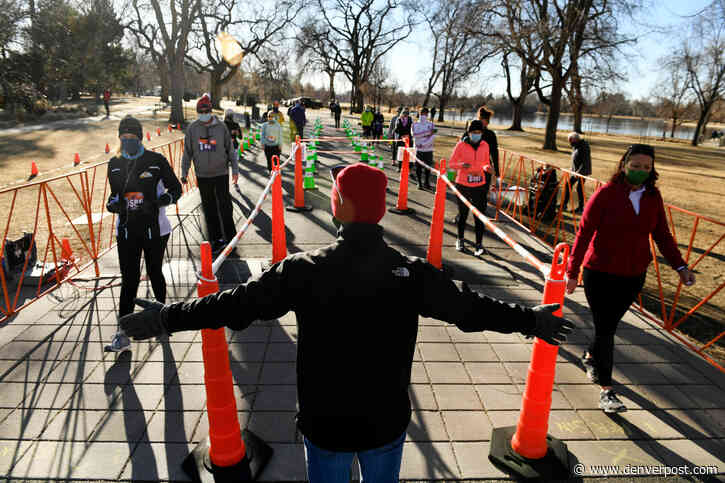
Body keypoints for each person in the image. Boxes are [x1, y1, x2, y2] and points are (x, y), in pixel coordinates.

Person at [120, 162, 574, 483]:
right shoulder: (410, 273)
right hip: (386, 422)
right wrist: (529, 320)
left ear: (339, 208)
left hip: (327, 425)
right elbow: (469, 309)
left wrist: (166, 318)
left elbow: (235, 306)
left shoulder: (305, 270)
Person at [565, 144, 696, 414]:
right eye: (635, 166)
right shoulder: (605, 194)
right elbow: (583, 234)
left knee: (608, 326)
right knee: (605, 330)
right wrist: (572, 273)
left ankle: (590, 356)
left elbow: (662, 236)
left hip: (633, 275)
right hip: (599, 273)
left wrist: (681, 267)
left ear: (652, 170)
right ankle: (607, 391)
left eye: (646, 168)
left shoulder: (653, 197)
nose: (640, 172)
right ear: (623, 165)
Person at [104, 115, 182, 352]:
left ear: (139, 137)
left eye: (132, 137)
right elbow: (115, 195)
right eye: (124, 137)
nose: (128, 141)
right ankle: (122, 334)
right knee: (128, 281)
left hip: (155, 229)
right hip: (127, 230)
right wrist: (112, 204)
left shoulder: (156, 160)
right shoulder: (114, 164)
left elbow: (176, 188)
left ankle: (163, 320)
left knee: (154, 272)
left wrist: (161, 201)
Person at [180, 94, 239, 254]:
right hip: (203, 175)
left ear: (211, 111)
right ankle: (216, 239)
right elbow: (187, 153)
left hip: (221, 173)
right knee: (209, 208)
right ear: (197, 111)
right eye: (201, 111)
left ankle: (230, 236)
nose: (204, 113)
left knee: (225, 205)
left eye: (206, 110)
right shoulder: (192, 129)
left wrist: (235, 170)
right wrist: (183, 172)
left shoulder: (221, 127)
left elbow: (230, 150)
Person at [448, 120, 495, 256]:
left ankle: (479, 245)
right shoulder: (461, 145)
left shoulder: (485, 145)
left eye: (479, 133)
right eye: (474, 133)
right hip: (463, 184)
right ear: (469, 133)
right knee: (463, 214)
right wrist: (462, 165)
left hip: (479, 184)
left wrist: (488, 168)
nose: (476, 135)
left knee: (479, 215)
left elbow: (485, 162)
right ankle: (460, 239)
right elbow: (451, 164)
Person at [563, 132, 592, 214]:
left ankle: (580, 208)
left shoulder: (584, 146)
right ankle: (564, 204)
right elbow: (575, 158)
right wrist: (572, 169)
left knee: (579, 188)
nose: (569, 142)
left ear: (575, 139)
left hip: (583, 171)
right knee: (567, 185)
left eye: (570, 140)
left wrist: (578, 173)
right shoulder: (575, 145)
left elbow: (585, 161)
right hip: (575, 171)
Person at [412, 107, 436, 190]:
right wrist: (427, 133)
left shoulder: (431, 124)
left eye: (425, 114)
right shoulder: (415, 124)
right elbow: (414, 135)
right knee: (418, 167)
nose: (424, 115)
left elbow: (433, 137)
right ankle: (419, 182)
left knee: (428, 167)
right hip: (418, 149)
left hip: (428, 149)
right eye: (422, 113)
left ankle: (426, 182)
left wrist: (423, 143)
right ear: (419, 114)